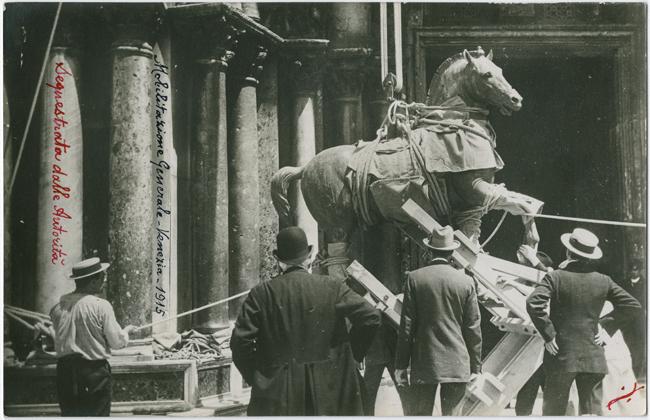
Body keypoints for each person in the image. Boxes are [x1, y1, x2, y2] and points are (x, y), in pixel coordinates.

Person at [230, 226, 381, 416]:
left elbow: (239, 343)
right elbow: (371, 317)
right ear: (308, 258)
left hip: (278, 395)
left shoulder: (261, 294)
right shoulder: (332, 287)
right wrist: (353, 356)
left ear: (279, 261)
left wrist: (259, 377)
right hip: (331, 390)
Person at [526, 228, 642, 416]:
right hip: (594, 357)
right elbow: (633, 305)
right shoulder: (604, 280)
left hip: (561, 356)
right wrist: (606, 327)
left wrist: (549, 335)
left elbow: (533, 303)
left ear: (568, 252)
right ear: (591, 256)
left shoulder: (555, 277)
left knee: (555, 413)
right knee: (591, 414)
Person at [394, 225, 482, 416]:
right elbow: (473, 327)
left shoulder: (415, 279)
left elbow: (407, 327)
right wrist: (476, 367)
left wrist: (401, 365)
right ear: (452, 252)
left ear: (428, 250)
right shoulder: (465, 282)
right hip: (457, 362)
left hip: (425, 361)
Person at [35, 257, 134, 416]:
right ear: (93, 281)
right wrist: (126, 332)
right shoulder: (101, 306)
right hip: (93, 372)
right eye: (102, 277)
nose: (104, 280)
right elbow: (116, 342)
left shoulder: (58, 307)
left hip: (65, 371)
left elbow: (57, 339)